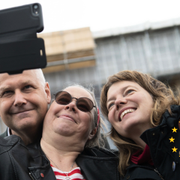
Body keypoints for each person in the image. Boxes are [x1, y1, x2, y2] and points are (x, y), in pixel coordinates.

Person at [0, 85, 120, 180]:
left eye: (83, 106)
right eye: (63, 99)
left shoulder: (118, 167)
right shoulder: (8, 159)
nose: (71, 105)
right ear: (47, 113)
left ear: (92, 131)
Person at [100, 70, 180, 180]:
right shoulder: (125, 175)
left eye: (129, 92)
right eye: (111, 104)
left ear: (154, 95)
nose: (118, 102)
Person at [0, 69, 51, 145]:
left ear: (47, 93)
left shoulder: (74, 146)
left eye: (27, 87)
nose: (19, 100)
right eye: (7, 92)